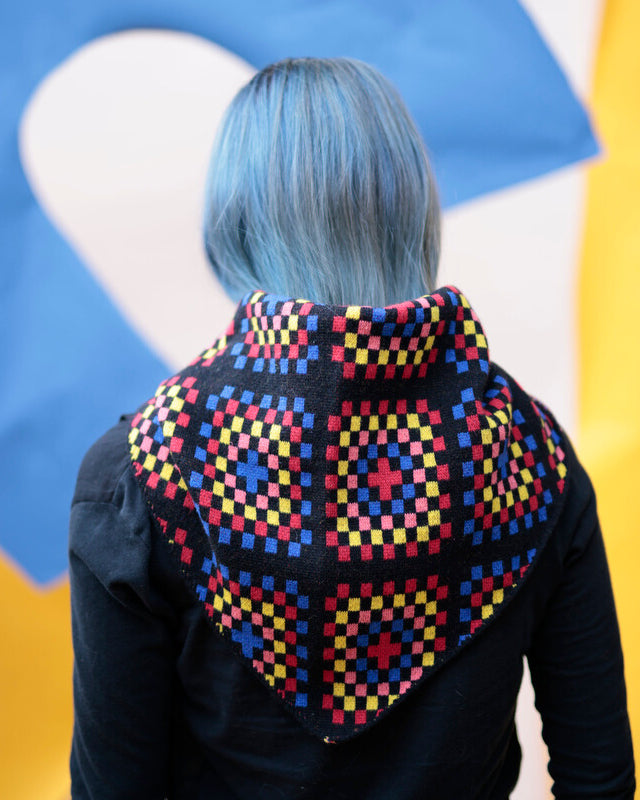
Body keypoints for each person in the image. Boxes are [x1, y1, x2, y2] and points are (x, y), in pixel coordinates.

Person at [68, 57, 636, 799]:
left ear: (236, 218)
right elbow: (600, 776)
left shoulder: (141, 473)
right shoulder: (529, 455)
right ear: (413, 209)